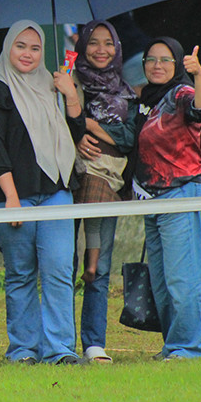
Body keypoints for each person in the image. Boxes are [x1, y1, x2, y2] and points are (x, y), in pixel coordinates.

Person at [0, 20, 83, 365]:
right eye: (20, 46)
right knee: (20, 273)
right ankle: (23, 349)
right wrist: (10, 197)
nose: (28, 54)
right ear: (8, 47)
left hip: (56, 191)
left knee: (58, 270)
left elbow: (75, 134)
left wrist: (70, 94)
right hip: (14, 196)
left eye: (35, 48)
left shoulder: (52, 86)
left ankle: (60, 350)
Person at [128, 37, 201, 360]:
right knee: (162, 281)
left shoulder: (182, 93)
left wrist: (199, 75)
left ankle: (188, 347)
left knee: (182, 277)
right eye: (151, 59)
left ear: (177, 64)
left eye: (165, 60)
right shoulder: (145, 99)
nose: (157, 65)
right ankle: (172, 345)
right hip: (151, 198)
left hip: (182, 192)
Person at [61, 20, 136, 364]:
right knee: (64, 264)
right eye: (93, 42)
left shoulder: (127, 92)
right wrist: (76, 135)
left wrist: (89, 125)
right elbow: (55, 123)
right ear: (82, 44)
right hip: (64, 179)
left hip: (107, 179)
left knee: (99, 266)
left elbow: (127, 139)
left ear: (117, 48)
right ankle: (60, 344)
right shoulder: (67, 82)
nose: (101, 49)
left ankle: (93, 343)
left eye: (108, 43)